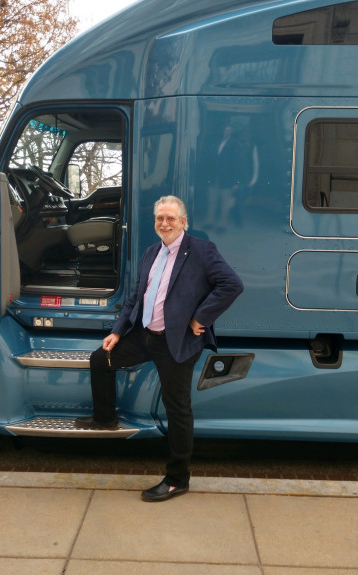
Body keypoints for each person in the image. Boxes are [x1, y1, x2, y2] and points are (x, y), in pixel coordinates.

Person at [75, 195, 243, 502]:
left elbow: (231, 285)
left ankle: (178, 479)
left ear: (183, 222)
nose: (164, 223)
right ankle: (105, 418)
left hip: (177, 342)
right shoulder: (152, 252)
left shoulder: (202, 251)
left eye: (170, 218)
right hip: (145, 335)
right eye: (159, 219)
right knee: (101, 359)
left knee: (177, 410)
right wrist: (117, 332)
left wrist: (200, 318)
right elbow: (136, 297)